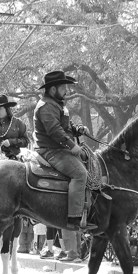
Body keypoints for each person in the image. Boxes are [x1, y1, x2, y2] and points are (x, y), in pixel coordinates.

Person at [33, 70, 95, 231]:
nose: (66, 91)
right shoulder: (46, 106)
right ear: (53, 89)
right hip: (51, 150)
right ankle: (74, 218)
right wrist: (73, 147)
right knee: (80, 174)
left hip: (59, 148)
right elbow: (54, 131)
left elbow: (65, 126)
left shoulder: (55, 104)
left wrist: (77, 129)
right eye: (63, 88)